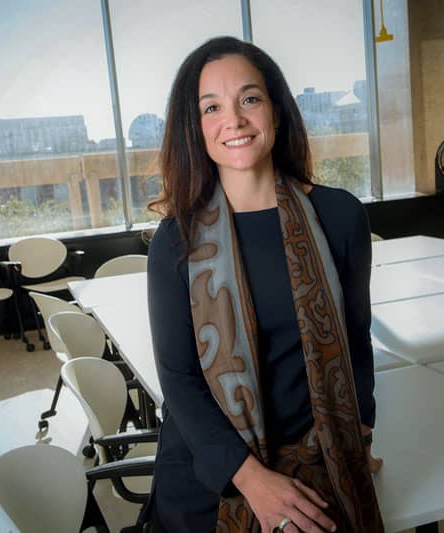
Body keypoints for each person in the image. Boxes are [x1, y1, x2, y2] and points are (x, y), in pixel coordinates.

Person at [143, 36, 384, 533]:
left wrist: (359, 433)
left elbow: (356, 338)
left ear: (276, 109)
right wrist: (254, 482)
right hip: (211, 480)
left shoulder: (340, 217)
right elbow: (180, 381)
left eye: (249, 99)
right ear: (197, 127)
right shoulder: (175, 241)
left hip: (319, 464)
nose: (234, 119)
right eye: (212, 107)